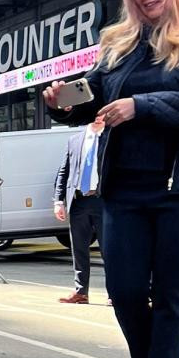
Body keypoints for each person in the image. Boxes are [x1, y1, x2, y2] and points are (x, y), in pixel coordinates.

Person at [43, 0, 179, 358]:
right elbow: (94, 98)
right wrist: (62, 103)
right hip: (123, 190)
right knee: (126, 293)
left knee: (171, 298)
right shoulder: (119, 44)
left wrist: (141, 106)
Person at [53, 121, 105, 305]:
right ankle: (81, 292)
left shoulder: (110, 137)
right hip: (78, 201)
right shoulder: (74, 140)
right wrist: (58, 201)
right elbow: (63, 171)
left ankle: (114, 293)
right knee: (79, 249)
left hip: (103, 201)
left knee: (110, 250)